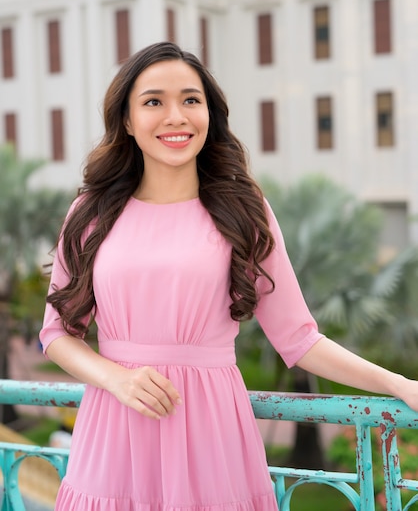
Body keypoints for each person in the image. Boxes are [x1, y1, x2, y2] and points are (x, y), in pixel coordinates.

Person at [40, 41, 418, 511]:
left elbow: (299, 339)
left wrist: (400, 385)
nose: (175, 116)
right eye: (154, 101)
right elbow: (57, 333)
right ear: (127, 121)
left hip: (211, 436)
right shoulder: (90, 213)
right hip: (115, 427)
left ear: (209, 116)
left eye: (190, 100)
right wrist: (115, 378)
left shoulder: (244, 211)